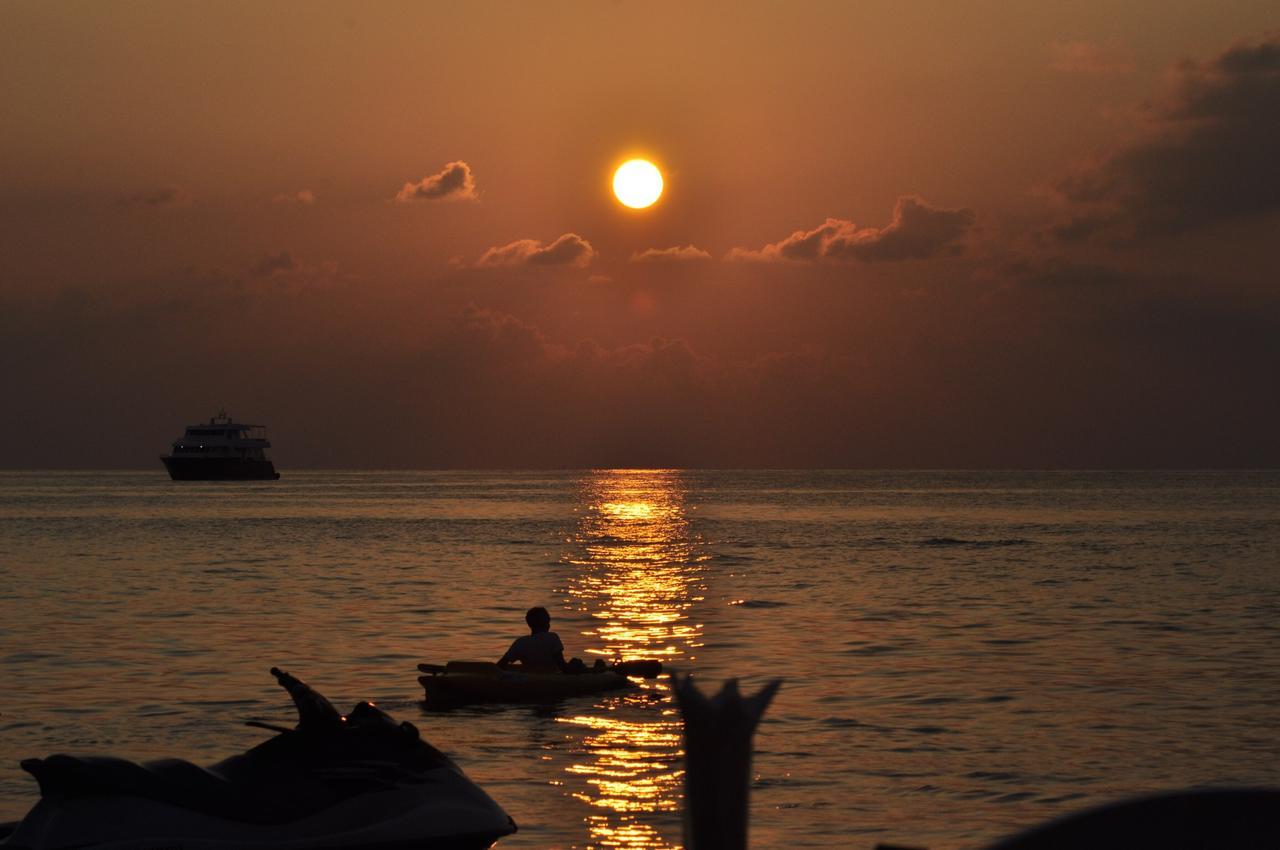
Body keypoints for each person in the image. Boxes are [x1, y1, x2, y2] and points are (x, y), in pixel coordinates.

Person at [498, 606, 600, 674]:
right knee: (577, 662)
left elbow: (500, 665)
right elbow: (562, 666)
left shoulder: (520, 642)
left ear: (529, 624)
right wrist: (578, 667)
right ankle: (598, 669)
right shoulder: (552, 637)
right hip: (552, 678)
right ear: (547, 623)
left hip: (532, 679)